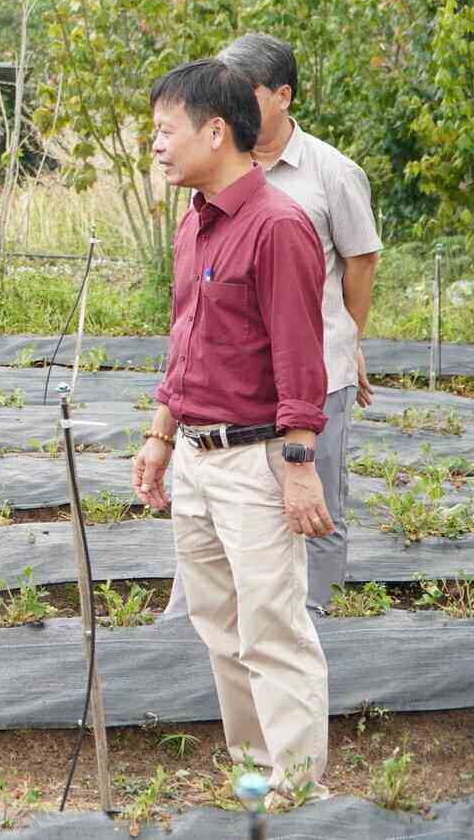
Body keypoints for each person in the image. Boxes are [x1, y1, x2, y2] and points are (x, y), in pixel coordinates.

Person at [132, 59, 332, 803]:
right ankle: (255, 766)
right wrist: (160, 434)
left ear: (216, 133)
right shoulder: (196, 223)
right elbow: (187, 338)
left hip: (254, 460)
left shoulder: (278, 227)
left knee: (271, 625)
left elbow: (299, 358)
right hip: (196, 454)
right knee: (218, 621)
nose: (155, 145)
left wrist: (300, 463)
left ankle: (298, 785)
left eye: (164, 130)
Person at [163, 33, 381, 615]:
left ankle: (314, 614)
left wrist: (347, 338)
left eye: (244, 91)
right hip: (241, 384)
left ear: (281, 96)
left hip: (316, 371)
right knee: (232, 508)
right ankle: (205, 623)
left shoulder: (330, 173)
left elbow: (361, 260)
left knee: (314, 502)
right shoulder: (213, 174)